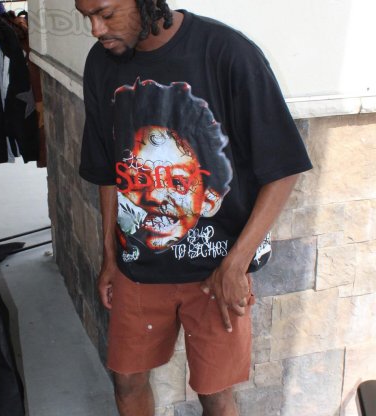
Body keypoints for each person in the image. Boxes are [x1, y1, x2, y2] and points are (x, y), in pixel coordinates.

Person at [77, 1, 312, 415]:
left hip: (216, 273)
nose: (96, 29)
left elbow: (284, 168)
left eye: (106, 14)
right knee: (127, 381)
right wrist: (109, 257)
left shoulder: (227, 53)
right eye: (86, 16)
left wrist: (235, 266)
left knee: (215, 395)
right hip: (137, 269)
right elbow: (107, 173)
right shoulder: (101, 64)